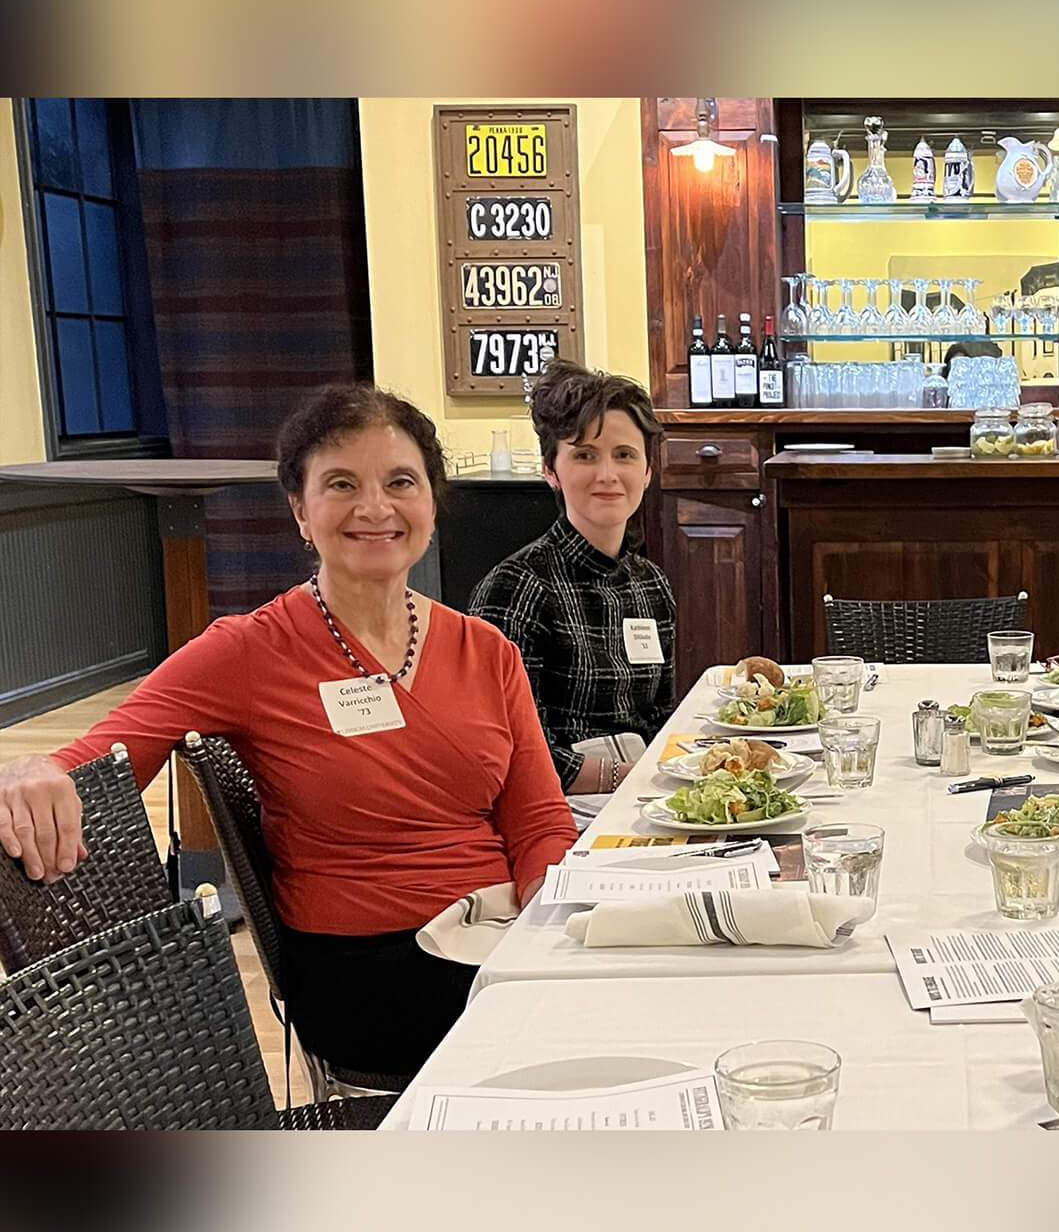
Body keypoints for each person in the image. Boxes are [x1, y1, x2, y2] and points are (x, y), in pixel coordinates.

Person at [0, 385, 577, 1078]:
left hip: (496, 931)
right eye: (341, 484)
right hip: (369, 968)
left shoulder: (484, 650)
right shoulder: (250, 650)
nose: (375, 507)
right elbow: (112, 752)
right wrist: (33, 770)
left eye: (401, 481)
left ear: (431, 501)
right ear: (301, 512)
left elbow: (540, 820)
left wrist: (548, 936)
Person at [469, 363, 677, 794]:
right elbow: (509, 747)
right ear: (551, 471)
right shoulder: (515, 589)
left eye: (624, 455)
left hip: (647, 796)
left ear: (647, 472)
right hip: (559, 808)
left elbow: (659, 717)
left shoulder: (651, 584)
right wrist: (628, 778)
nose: (607, 474)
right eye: (584, 455)